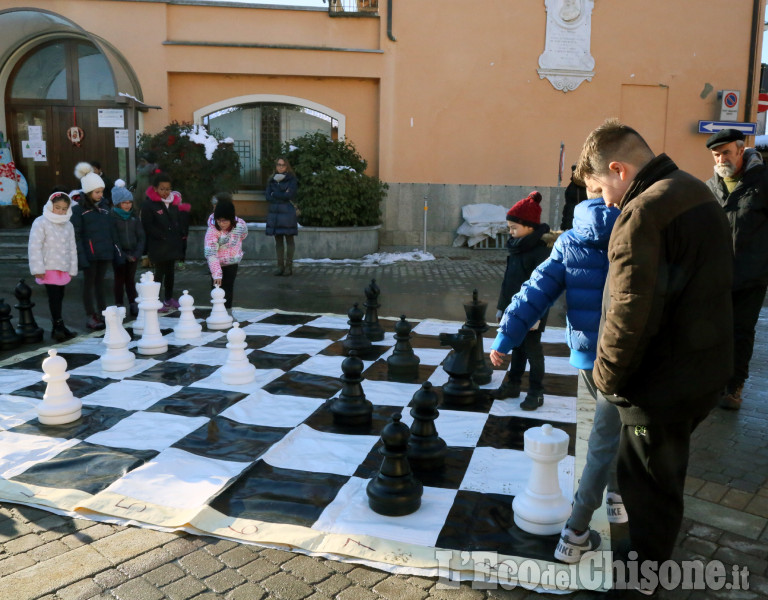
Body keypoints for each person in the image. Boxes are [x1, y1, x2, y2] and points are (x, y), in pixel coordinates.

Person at [576, 119, 732, 595]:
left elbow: (628, 311)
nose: (604, 201)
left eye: (601, 188)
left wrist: (605, 378)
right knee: (662, 482)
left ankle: (640, 582)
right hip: (701, 372)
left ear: (619, 169)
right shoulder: (696, 190)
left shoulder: (642, 212)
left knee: (644, 493)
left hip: (657, 388)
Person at [489, 194, 624, 563]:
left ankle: (610, 496)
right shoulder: (635, 230)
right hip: (627, 357)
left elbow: (534, 292)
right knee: (616, 432)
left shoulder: (570, 239)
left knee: (607, 432)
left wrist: (505, 336)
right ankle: (577, 531)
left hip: (587, 357)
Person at [704, 128, 768, 410]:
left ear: (742, 150)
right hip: (716, 277)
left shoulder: (763, 182)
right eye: (716, 154)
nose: (721, 159)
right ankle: (713, 383)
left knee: (741, 332)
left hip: (752, 276)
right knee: (716, 331)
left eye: (726, 152)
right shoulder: (710, 187)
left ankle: (734, 387)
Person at [490, 191, 553, 410]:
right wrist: (501, 307)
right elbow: (508, 282)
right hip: (514, 310)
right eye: (509, 228)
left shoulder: (540, 254)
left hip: (534, 312)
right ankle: (514, 384)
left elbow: (544, 288)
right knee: (517, 347)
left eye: (514, 228)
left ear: (530, 227)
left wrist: (536, 316)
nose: (511, 232)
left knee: (533, 350)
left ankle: (536, 392)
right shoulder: (516, 249)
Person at [71, 169, 123, 330]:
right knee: (89, 285)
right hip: (89, 254)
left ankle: (102, 312)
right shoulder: (79, 210)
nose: (101, 195)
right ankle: (90, 314)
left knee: (100, 284)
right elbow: (77, 235)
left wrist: (116, 251)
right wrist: (81, 257)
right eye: (97, 192)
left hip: (104, 253)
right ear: (87, 192)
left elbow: (112, 231)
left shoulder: (105, 208)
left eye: (102, 191)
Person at [27, 191, 79, 342]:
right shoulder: (41, 222)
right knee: (54, 297)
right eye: (57, 207)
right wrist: (37, 269)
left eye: (64, 208)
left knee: (59, 297)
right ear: (50, 206)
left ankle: (59, 325)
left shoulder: (68, 224)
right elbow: (34, 246)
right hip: (48, 266)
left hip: (63, 267)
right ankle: (58, 326)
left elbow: (72, 247)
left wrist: (72, 267)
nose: (61, 211)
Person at [140, 171, 188, 313]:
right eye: (162, 189)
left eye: (168, 189)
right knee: (159, 273)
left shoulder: (174, 203)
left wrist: (179, 235)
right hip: (158, 245)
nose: (165, 192)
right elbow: (147, 225)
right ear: (155, 189)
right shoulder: (149, 205)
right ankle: (156, 299)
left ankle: (168, 298)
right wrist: (161, 235)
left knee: (170, 273)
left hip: (172, 245)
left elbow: (177, 221)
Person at [204, 194, 248, 309]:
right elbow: (211, 253)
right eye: (219, 220)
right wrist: (216, 273)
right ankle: (217, 312)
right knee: (217, 288)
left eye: (225, 221)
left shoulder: (240, 225)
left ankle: (228, 312)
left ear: (231, 219)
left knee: (228, 288)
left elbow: (243, 235)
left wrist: (234, 247)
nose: (221, 223)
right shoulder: (212, 230)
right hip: (217, 263)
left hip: (232, 261)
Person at [111, 180, 145, 317]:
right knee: (119, 279)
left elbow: (141, 236)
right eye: (124, 202)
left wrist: (137, 253)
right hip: (119, 254)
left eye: (129, 202)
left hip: (133, 254)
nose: (127, 205)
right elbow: (114, 239)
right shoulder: (112, 217)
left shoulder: (134, 217)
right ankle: (119, 304)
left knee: (130, 279)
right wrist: (123, 255)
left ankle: (133, 303)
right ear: (118, 203)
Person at [265, 157, 299, 276]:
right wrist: (280, 194)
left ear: (287, 166)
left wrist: (275, 194)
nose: (280, 167)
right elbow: (267, 196)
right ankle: (280, 266)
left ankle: (289, 267)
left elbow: (289, 195)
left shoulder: (291, 179)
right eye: (278, 165)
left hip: (287, 213)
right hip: (275, 213)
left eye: (283, 165)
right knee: (278, 241)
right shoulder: (271, 180)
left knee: (289, 240)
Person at [560, 164, 588, 230]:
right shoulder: (573, 186)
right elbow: (567, 206)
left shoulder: (574, 186)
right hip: (573, 220)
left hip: (579, 220)